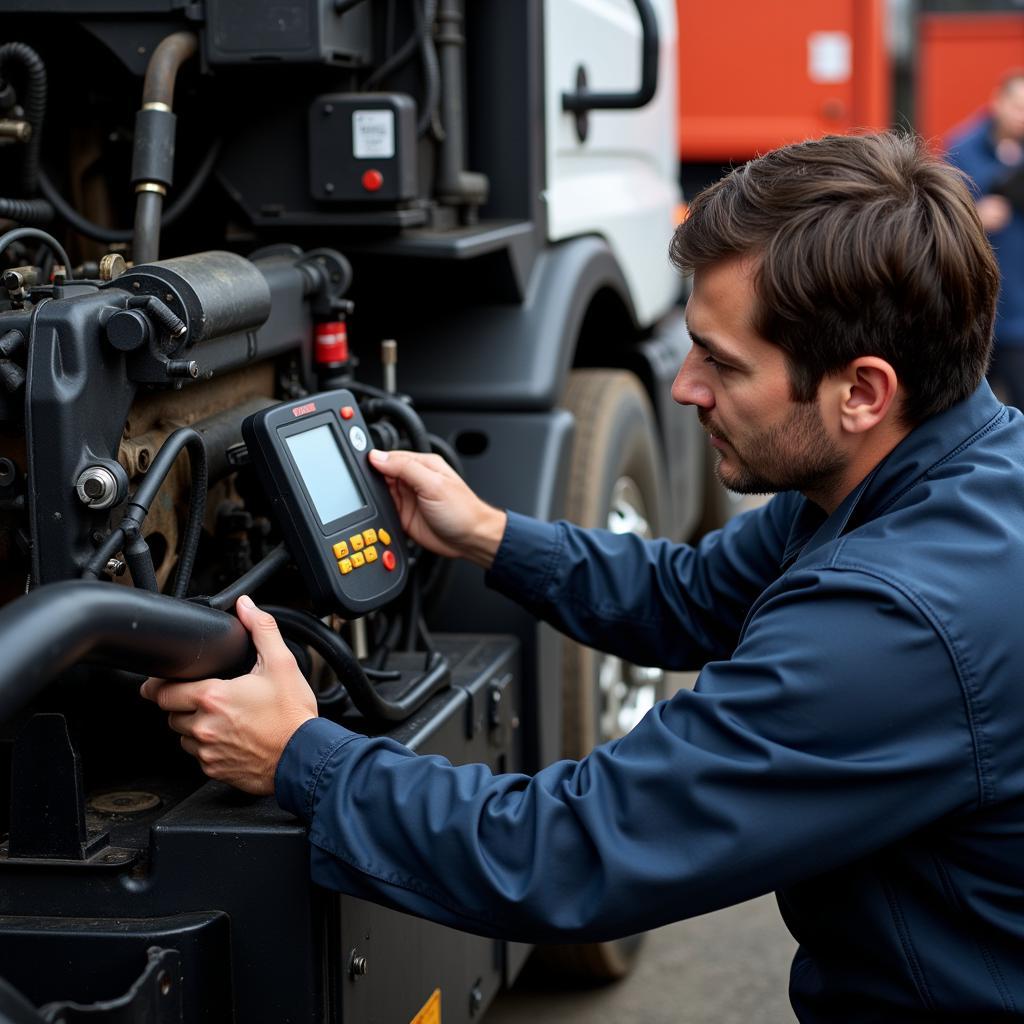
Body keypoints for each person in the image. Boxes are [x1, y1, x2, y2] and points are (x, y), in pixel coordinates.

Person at [141, 132, 1024, 1022]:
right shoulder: (922, 473)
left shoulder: (897, 621)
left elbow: (572, 852)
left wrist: (300, 757)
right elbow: (695, 596)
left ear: (863, 392)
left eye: (722, 362)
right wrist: (490, 534)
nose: (684, 387)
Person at [947, 69, 1024, 408]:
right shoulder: (961, 150)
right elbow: (938, 218)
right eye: (1018, 106)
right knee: (973, 409)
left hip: (1022, 316)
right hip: (981, 312)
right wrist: (975, 216)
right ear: (997, 102)